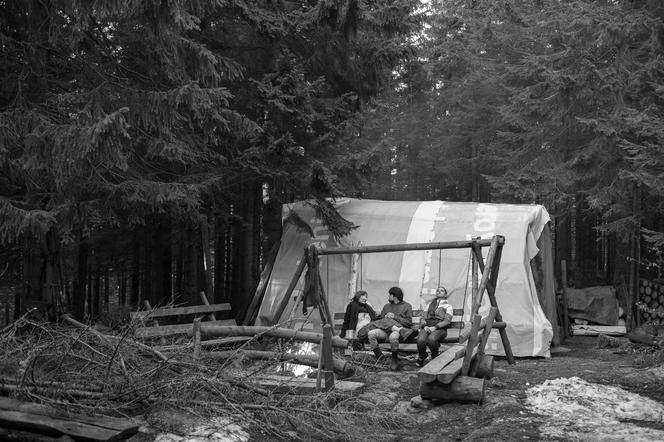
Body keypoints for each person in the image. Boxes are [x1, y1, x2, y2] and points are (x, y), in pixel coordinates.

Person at [358, 286, 413, 370]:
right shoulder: (386, 306)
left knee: (393, 337)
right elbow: (381, 321)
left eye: (389, 295)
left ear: (394, 296)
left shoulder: (407, 306)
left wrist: (395, 317)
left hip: (396, 332)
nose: (388, 297)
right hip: (385, 330)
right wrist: (380, 316)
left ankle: (395, 360)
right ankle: (380, 357)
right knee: (371, 333)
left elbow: (408, 323)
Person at [416, 286, 454, 367]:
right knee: (420, 340)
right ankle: (422, 356)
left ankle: (434, 356)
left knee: (431, 339)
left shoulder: (448, 306)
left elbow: (447, 321)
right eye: (438, 290)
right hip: (428, 326)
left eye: (442, 290)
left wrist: (435, 327)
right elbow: (423, 317)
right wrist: (425, 326)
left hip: (440, 329)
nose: (439, 291)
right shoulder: (430, 304)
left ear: (445, 294)